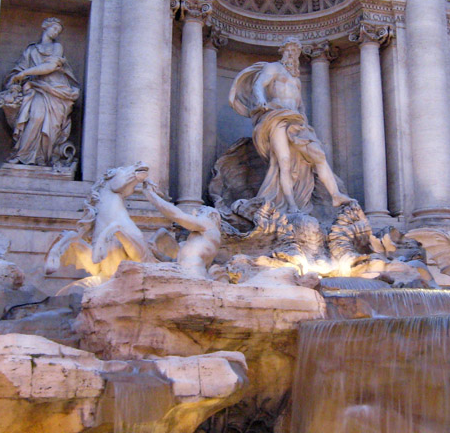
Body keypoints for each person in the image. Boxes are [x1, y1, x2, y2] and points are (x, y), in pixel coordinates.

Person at [228, 38, 352, 213]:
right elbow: (258, 84)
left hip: (296, 121)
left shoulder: (296, 79)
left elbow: (300, 106)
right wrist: (261, 100)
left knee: (319, 155)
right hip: (275, 117)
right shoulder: (273, 68)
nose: (292, 54)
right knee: (283, 161)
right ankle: (291, 206)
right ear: (283, 51)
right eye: (289, 50)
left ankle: (336, 195)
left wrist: (306, 125)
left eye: (295, 52)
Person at [0, 17, 81, 167]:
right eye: (54, 28)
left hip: (56, 91)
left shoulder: (57, 47)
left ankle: (44, 158)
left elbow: (49, 67)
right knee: (35, 117)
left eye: (58, 31)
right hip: (36, 88)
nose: (56, 32)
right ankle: (22, 154)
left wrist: (23, 74)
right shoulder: (31, 50)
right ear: (45, 27)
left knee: (53, 125)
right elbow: (18, 70)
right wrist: (16, 79)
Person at [141, 179, 222, 279]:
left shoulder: (209, 224)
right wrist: (157, 253)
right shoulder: (200, 239)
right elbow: (176, 261)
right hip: (186, 271)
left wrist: (151, 195)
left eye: (198, 213)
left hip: (192, 273)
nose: (194, 214)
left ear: (210, 215)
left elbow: (178, 215)